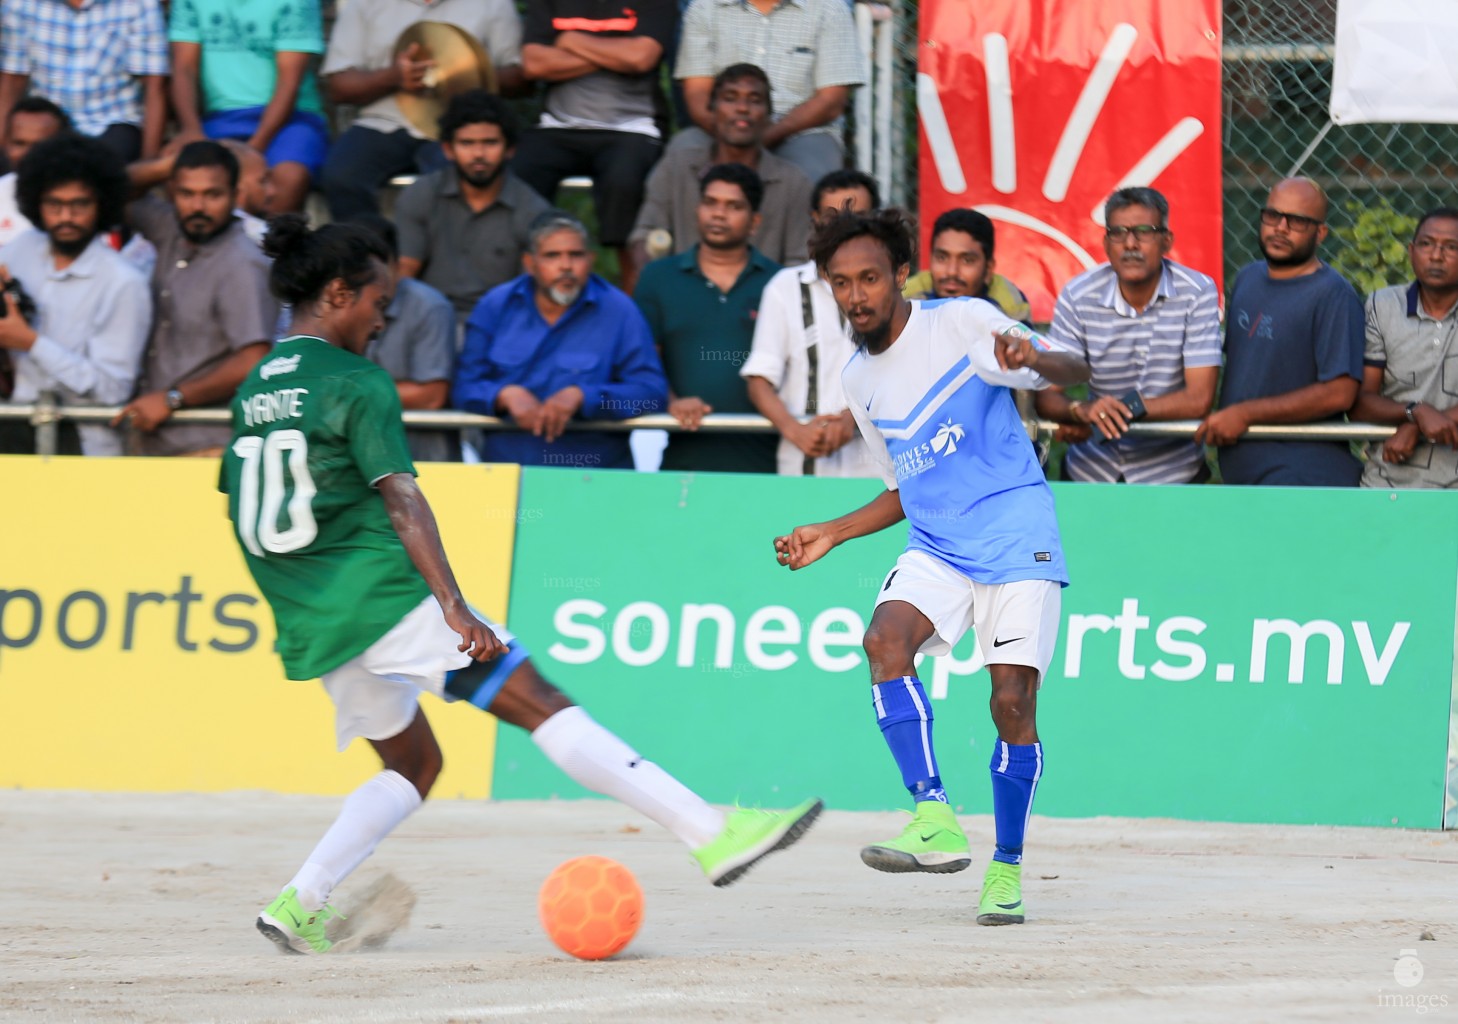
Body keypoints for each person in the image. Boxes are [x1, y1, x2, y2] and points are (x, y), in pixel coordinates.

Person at [228, 215, 821, 954]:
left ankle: (300, 901)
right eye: (377, 302)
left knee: (415, 764)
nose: (384, 318)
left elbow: (246, 516)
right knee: (541, 702)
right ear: (338, 294)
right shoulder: (355, 380)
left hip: (316, 619)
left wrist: (302, 607)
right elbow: (402, 497)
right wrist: (453, 605)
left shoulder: (253, 387)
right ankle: (709, 831)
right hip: (379, 596)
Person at [773, 208, 1090, 926]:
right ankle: (934, 815)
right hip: (939, 545)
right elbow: (901, 487)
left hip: (1016, 536)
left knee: (1011, 704)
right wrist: (835, 530)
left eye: (870, 278)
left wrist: (1032, 360)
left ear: (897, 276)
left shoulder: (961, 324)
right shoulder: (859, 380)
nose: (857, 295)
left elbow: (1074, 369)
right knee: (884, 642)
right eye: (841, 283)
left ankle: (1005, 867)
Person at [1035, 187, 1221, 484]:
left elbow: (1199, 399)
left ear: (1167, 241)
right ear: (1107, 243)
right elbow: (1047, 395)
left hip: (1172, 474)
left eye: (1144, 231)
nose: (1130, 243)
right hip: (1091, 471)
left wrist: (1121, 410)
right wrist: (1082, 410)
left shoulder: (1197, 292)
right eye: (1119, 232)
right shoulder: (1078, 295)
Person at [453, 211, 668, 469]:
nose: (566, 266)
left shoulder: (620, 310)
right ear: (530, 263)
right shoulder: (495, 306)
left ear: (591, 260)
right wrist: (503, 395)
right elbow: (463, 388)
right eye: (552, 255)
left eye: (575, 255)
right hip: (508, 477)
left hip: (595, 477)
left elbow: (652, 394)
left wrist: (585, 397)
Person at [1195, 177, 1365, 486]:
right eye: (1273, 216)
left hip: (1303, 476)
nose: (1280, 228)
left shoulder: (1333, 295)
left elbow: (1340, 393)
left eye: (1297, 221)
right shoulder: (1247, 279)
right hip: (1245, 472)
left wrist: (1246, 414)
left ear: (1321, 233)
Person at [113, 141, 277, 456]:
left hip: (209, 446)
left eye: (212, 194)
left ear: (235, 195)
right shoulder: (170, 227)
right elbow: (112, 188)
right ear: (172, 191)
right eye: (187, 194)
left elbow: (254, 359)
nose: (198, 206)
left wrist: (173, 398)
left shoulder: (244, 262)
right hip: (153, 442)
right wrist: (167, 165)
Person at [0, 134, 150, 456]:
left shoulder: (124, 282)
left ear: (102, 204)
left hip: (85, 447)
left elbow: (113, 389)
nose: (65, 217)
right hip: (15, 432)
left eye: (79, 204)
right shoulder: (18, 252)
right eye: (54, 204)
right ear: (36, 203)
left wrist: (29, 342)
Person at [514, 0, 678, 294]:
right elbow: (534, 63)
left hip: (632, 127)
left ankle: (633, 303)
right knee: (517, 175)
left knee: (625, 181)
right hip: (558, 126)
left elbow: (642, 57)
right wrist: (616, 53)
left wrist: (570, 41)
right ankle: (522, 294)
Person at [318, 0, 525, 221]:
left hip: (462, 126)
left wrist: (465, 74)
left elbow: (520, 80)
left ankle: (445, 254)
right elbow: (339, 87)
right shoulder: (364, 4)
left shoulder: (494, 4)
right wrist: (393, 77)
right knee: (341, 176)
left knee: (456, 178)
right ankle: (370, 250)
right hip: (383, 121)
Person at [636, 163, 780, 473]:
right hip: (684, 450)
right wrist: (670, 401)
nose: (718, 214)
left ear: (755, 222)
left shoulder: (781, 283)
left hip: (772, 457)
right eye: (710, 202)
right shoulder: (658, 277)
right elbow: (641, 361)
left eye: (734, 206)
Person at [741, 168, 881, 478]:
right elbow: (759, 379)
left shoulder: (895, 289)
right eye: (832, 219)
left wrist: (853, 419)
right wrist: (795, 430)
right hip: (803, 467)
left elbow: (904, 375)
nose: (844, 230)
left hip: (879, 472)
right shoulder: (784, 287)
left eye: (856, 218)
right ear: (814, 219)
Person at [628, 63, 812, 270]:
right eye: (730, 98)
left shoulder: (793, 182)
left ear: (768, 114)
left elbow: (800, 262)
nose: (742, 108)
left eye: (755, 100)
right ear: (712, 109)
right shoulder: (676, 167)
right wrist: (655, 284)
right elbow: (646, 236)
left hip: (765, 299)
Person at [395, 90, 550, 323]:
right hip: (431, 321)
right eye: (467, 143)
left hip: (501, 322)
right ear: (448, 149)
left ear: (510, 149)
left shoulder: (533, 209)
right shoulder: (421, 195)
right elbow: (405, 273)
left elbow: (530, 292)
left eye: (490, 143)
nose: (479, 154)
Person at [674, 0, 862, 185]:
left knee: (807, 181)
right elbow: (697, 95)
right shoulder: (704, 7)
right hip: (720, 129)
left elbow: (831, 102)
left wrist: (761, 138)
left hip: (802, 131)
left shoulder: (830, 9)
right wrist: (732, 140)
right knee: (682, 158)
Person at [168, 0, 329, 213]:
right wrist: (191, 130)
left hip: (291, 119)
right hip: (218, 118)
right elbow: (183, 69)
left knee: (288, 177)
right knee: (175, 169)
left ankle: (271, 245)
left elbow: (289, 82)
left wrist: (252, 151)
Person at [1353, 207, 1458, 488]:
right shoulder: (1382, 305)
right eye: (1426, 244)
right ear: (1411, 252)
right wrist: (1416, 411)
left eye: (1451, 247)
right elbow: (1361, 402)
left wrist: (1415, 424)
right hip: (1387, 481)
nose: (1436, 256)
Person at [351, 212, 460, 463]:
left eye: (375, 269)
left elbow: (431, 396)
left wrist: (348, 393)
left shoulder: (430, 307)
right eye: (356, 271)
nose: (366, 281)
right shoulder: (336, 305)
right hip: (357, 458)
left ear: (397, 266)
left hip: (421, 461)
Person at [0, 0, 168, 162]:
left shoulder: (140, 4)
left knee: (100, 173)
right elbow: (13, 81)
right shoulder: (19, 3)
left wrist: (148, 162)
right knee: (34, 165)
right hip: (44, 122)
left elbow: (154, 87)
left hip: (112, 119)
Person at [901, 208, 1031, 325]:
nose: (952, 271)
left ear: (989, 269)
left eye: (967, 261)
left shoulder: (1010, 305)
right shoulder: (906, 297)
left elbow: (1025, 348)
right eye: (941, 258)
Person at [0, 97, 70, 247]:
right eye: (19, 143)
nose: (29, 154)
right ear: (6, 145)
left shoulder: (88, 201)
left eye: (40, 145)